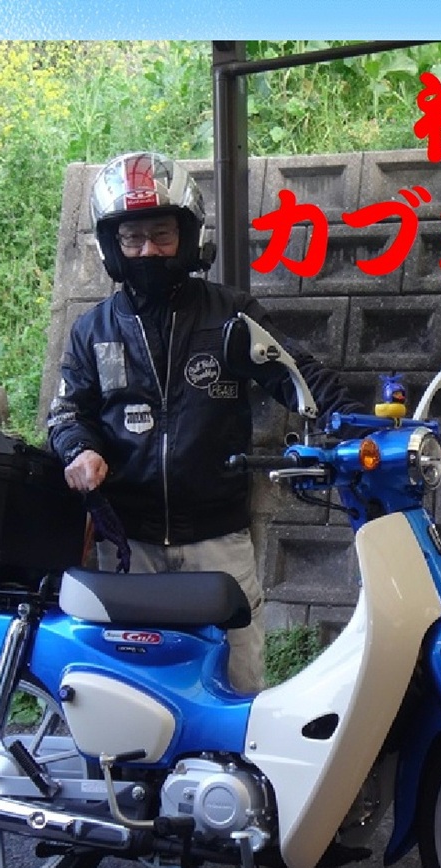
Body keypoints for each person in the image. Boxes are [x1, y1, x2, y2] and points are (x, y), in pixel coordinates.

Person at [47, 151, 362, 695]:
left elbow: (297, 373)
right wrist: (80, 450)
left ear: (188, 235)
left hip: (219, 539)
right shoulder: (92, 331)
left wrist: (352, 422)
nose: (149, 250)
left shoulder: (230, 316)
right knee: (133, 689)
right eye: (133, 238)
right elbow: (67, 412)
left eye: (162, 234)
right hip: (129, 544)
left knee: (238, 683)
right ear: (112, 246)